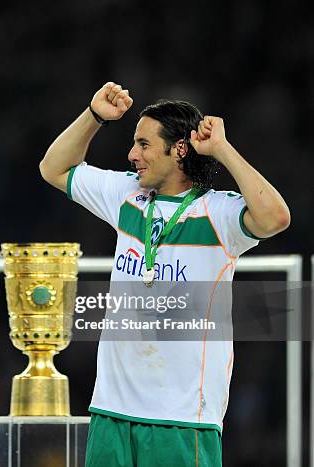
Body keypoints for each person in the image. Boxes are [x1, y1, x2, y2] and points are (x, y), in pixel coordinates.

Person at [40, 82, 290, 466]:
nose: (131, 154)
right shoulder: (126, 195)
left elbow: (275, 217)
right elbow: (53, 168)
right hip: (111, 409)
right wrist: (93, 117)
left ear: (179, 149)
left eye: (143, 144)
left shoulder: (218, 213)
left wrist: (222, 148)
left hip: (182, 417)